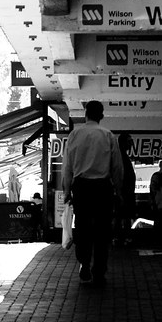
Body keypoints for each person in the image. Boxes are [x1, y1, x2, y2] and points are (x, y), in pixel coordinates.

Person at [62, 100, 123, 286]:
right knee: (103, 230)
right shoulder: (108, 136)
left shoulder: (75, 134)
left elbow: (68, 166)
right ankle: (99, 268)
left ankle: (84, 264)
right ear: (101, 116)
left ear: (85, 114)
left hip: (81, 188)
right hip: (103, 188)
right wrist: (118, 190)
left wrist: (66, 190)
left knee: (82, 228)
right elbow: (117, 167)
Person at [113, 133, 136, 246]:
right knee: (123, 216)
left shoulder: (120, 156)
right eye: (129, 142)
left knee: (120, 216)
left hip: (123, 191)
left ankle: (119, 237)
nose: (131, 145)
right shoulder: (121, 157)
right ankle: (123, 237)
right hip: (124, 192)